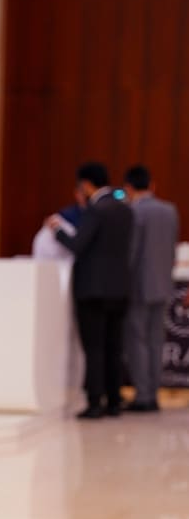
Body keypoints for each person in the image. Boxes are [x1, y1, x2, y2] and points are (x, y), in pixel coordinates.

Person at [48, 162, 133, 419]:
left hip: (93, 290)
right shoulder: (125, 209)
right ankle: (114, 401)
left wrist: (57, 230)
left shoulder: (95, 210)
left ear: (86, 184)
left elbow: (78, 244)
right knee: (114, 347)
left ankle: (95, 402)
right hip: (120, 288)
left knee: (94, 348)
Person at [122, 165, 180, 411]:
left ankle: (143, 396)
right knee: (156, 340)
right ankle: (153, 392)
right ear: (152, 185)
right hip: (164, 284)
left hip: (138, 286)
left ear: (128, 188)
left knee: (137, 341)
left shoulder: (134, 212)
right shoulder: (170, 210)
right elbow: (172, 249)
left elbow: (131, 252)